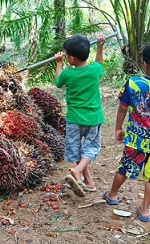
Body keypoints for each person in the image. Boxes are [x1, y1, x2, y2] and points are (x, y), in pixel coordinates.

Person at [102, 41, 150, 222]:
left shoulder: (133, 83)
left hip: (135, 140)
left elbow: (122, 108)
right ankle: (145, 210)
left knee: (124, 167)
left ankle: (112, 195)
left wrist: (118, 128)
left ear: (145, 64)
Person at [54, 34, 105, 197]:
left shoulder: (68, 75)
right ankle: (86, 179)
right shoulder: (95, 71)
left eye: (66, 54)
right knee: (91, 147)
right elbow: (99, 63)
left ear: (72, 58)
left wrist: (59, 64)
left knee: (75, 149)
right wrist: (100, 47)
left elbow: (57, 82)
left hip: (75, 119)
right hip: (93, 118)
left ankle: (79, 172)